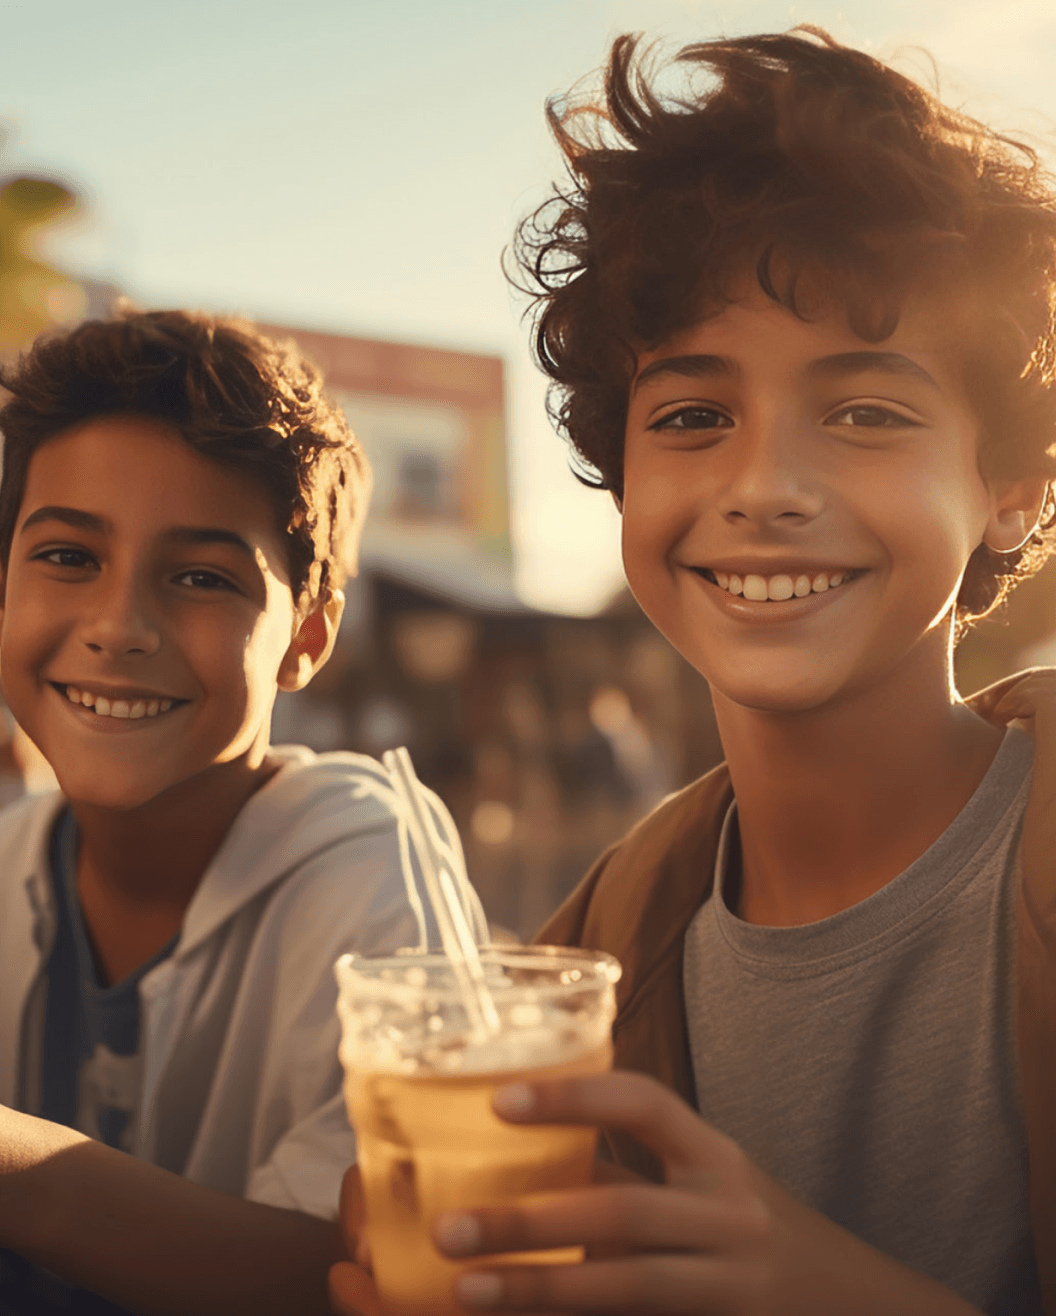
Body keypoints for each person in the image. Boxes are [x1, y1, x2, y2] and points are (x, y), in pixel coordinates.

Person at [331, 29, 1056, 1316]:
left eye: (866, 412)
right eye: (691, 416)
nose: (762, 486)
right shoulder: (606, 935)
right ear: (626, 479)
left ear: (1012, 489)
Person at [0, 308, 487, 1316]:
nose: (118, 626)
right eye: (66, 555)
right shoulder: (9, 857)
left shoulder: (371, 874)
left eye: (200, 577)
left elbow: (365, 1269)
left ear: (306, 636)